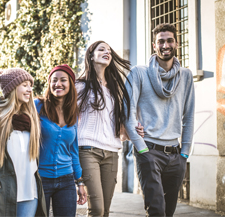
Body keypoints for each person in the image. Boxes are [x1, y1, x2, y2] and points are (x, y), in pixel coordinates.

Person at [124, 23, 195, 216]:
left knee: (169, 211)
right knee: (156, 209)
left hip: (176, 155)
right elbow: (127, 113)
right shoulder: (138, 73)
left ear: (177, 43)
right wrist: (141, 148)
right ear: (154, 46)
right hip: (149, 151)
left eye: (170, 40)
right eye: (161, 41)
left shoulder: (186, 76)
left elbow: (188, 116)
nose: (165, 45)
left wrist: (185, 154)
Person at [76, 40, 144, 217]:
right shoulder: (79, 86)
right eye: (101, 49)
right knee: (96, 209)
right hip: (87, 151)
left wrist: (132, 133)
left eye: (109, 51)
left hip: (112, 152)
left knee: (105, 211)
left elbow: (118, 128)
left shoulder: (115, 90)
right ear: (91, 56)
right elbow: (68, 119)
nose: (107, 52)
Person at [0, 68, 46, 217]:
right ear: (12, 88)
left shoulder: (31, 119)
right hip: (3, 193)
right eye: (24, 85)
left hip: (30, 194)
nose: (30, 89)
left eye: (30, 85)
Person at [35, 64, 87, 217]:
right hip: (41, 179)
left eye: (63, 80)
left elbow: (73, 150)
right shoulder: (37, 106)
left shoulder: (74, 113)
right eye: (54, 80)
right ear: (49, 84)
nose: (58, 84)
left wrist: (80, 182)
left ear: (70, 84)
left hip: (66, 180)